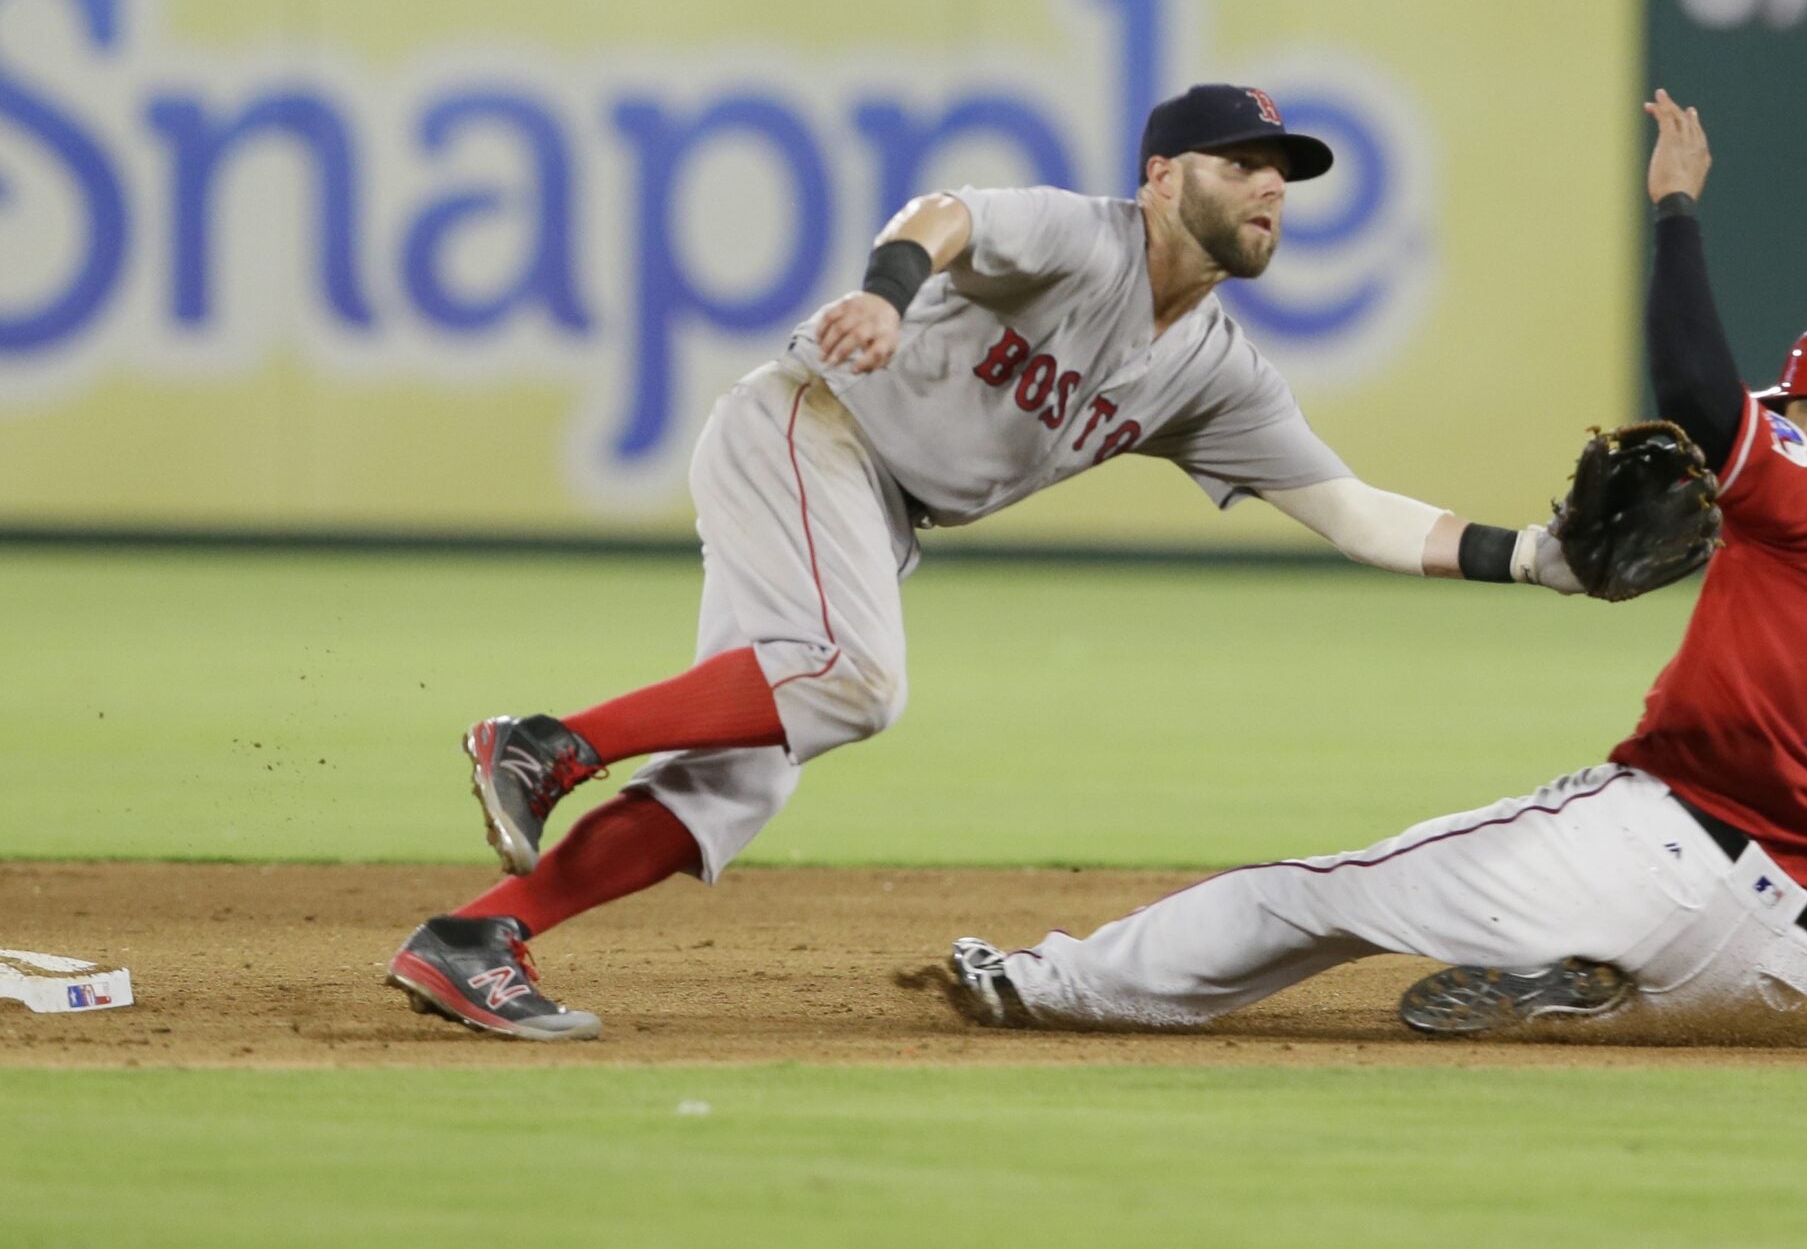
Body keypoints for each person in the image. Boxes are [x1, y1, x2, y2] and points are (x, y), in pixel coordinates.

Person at [385, 84, 1586, 1041]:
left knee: (744, 775)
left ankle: (477, 938)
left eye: (1282, 173)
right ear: (1161, 178)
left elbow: (1357, 514)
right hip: (815, 427)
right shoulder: (1089, 237)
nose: (1268, 185)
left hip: (874, 506)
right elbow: (943, 214)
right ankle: (548, 744)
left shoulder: (1217, 369)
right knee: (852, 680)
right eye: (1238, 162)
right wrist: (890, 294)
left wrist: (1538, 556)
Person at [940, 90, 1807, 1037]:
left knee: (1309, 898)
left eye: (1793, 412)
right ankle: (1584, 985)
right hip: (1774, 968)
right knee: (1623, 990)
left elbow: (1695, 388)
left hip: (1653, 853)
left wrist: (1676, 210)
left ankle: (1043, 983)